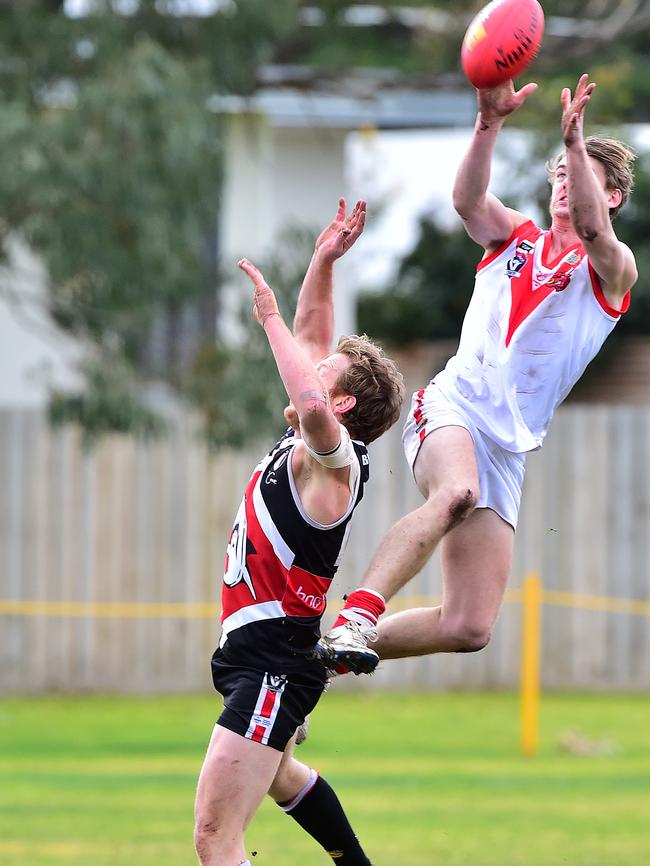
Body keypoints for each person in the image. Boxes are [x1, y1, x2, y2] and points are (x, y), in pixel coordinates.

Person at [315, 74, 638, 674]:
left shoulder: (612, 271)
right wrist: (488, 122)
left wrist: (574, 141)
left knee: (468, 626)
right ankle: (356, 613)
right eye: (563, 176)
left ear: (613, 196)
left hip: (507, 445)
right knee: (455, 493)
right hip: (454, 406)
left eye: (584, 177)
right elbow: (467, 201)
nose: (569, 184)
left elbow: (594, 233)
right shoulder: (514, 238)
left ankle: (313, 660)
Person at [193, 199, 405, 866]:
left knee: (215, 836)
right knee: (279, 775)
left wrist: (269, 319)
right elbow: (315, 343)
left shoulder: (333, 465)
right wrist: (324, 261)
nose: (309, 370)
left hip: (273, 665)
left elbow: (310, 393)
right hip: (260, 656)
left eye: (324, 378)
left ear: (338, 407)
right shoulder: (308, 444)